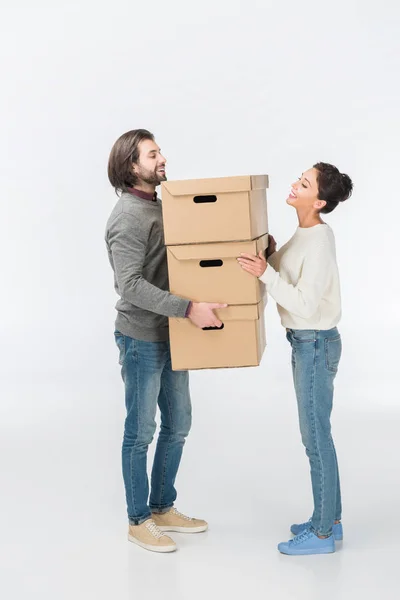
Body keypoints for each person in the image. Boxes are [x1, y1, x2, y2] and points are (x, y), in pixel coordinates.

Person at [105, 129, 226, 553]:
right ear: (130, 166)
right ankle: (138, 520)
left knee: (179, 424)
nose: (162, 159)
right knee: (140, 431)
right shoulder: (126, 218)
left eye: (160, 152)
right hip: (141, 338)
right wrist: (189, 308)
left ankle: (162, 506)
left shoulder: (162, 207)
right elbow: (130, 285)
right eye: (152, 154)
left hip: (172, 333)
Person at [238, 162, 353, 555]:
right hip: (307, 343)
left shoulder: (319, 239)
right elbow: (282, 271)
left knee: (316, 438)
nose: (294, 185)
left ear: (318, 200)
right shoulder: (304, 234)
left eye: (303, 184)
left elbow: (303, 302)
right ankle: (329, 521)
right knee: (317, 435)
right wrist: (268, 257)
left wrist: (265, 274)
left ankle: (322, 535)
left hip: (315, 342)